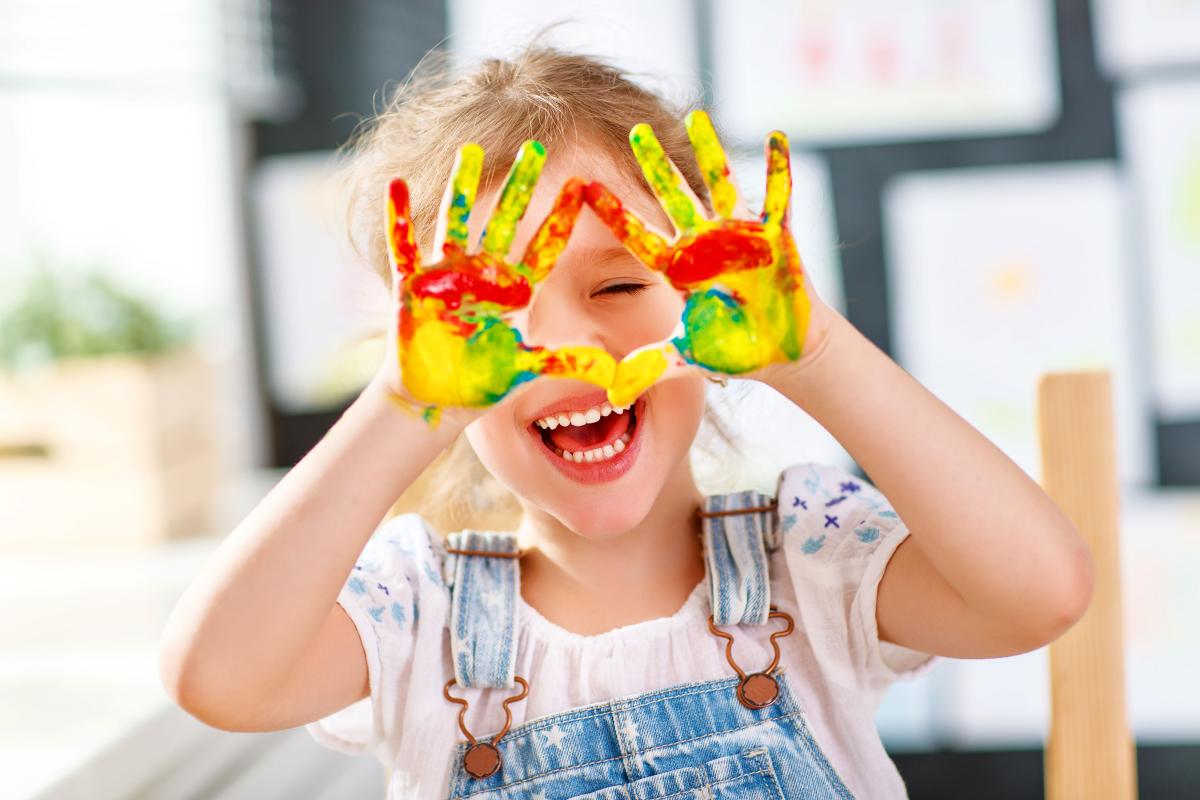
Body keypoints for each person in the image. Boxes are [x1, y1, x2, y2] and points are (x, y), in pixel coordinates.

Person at [158, 44, 1095, 799]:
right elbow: (218, 679)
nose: (570, 347)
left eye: (616, 284)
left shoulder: (810, 561)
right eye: (498, 319)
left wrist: (815, 354)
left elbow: (1041, 593)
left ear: (711, 296)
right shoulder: (418, 619)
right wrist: (406, 407)